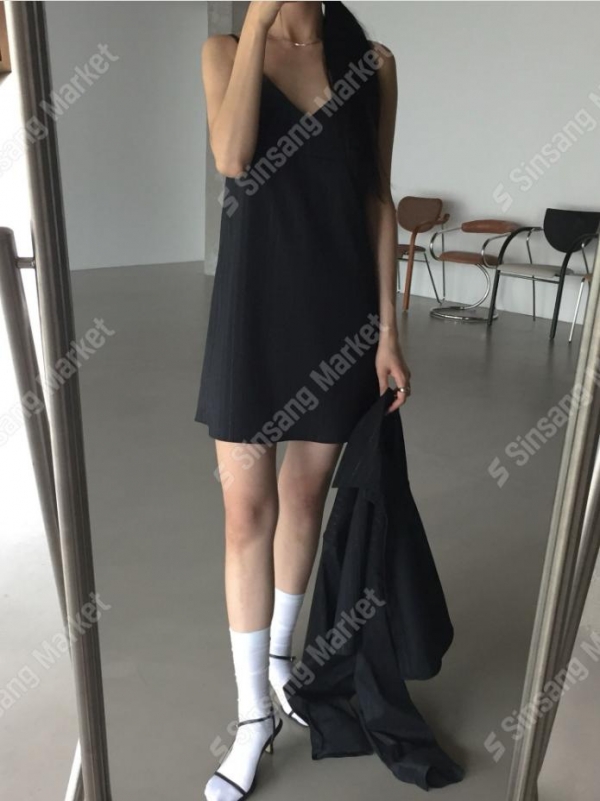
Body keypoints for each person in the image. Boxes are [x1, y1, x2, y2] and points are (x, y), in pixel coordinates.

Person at [196, 3, 411, 799]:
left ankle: (282, 660)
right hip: (252, 312)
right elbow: (232, 156)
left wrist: (388, 330)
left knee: (305, 495)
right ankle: (253, 714)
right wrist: (256, 25)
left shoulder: (373, 62)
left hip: (339, 312)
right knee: (245, 512)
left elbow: (379, 200)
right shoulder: (226, 50)